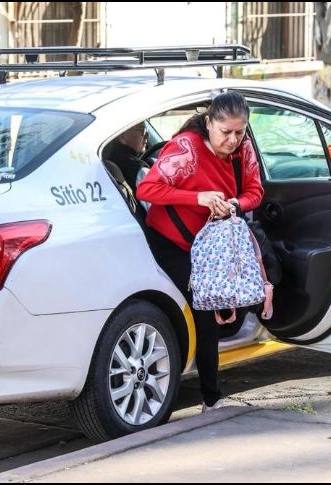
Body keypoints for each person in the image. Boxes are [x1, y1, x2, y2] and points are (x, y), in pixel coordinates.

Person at [135, 91, 264, 412]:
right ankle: (211, 397)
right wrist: (199, 198)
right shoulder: (186, 149)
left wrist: (235, 203)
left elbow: (255, 191)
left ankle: (210, 392)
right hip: (171, 242)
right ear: (208, 123)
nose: (233, 140)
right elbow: (147, 189)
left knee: (218, 305)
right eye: (226, 132)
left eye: (240, 131)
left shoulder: (243, 150)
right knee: (204, 307)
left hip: (211, 243)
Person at [103, 122, 151, 195]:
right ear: (122, 136)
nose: (147, 136)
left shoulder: (105, 159)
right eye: (143, 131)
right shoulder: (139, 170)